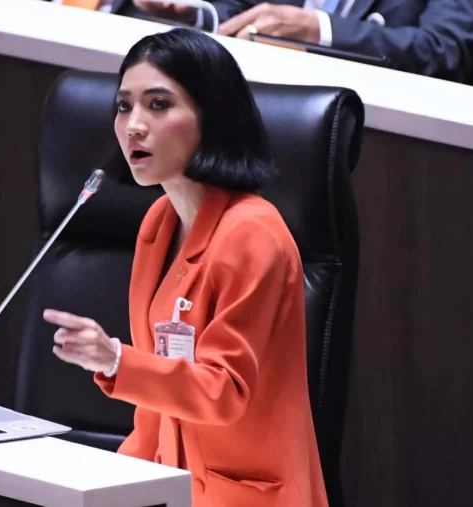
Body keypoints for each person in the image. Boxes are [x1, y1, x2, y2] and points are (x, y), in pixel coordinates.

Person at [42, 28, 327, 507]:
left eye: (158, 105)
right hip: (175, 487)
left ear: (212, 117)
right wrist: (116, 487)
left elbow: (224, 390)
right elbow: (156, 407)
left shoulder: (252, 235)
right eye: (123, 106)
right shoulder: (159, 224)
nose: (133, 125)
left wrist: (115, 360)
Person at [115, 0, 473, 83]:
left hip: (390, 147)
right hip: (260, 107)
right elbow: (246, 8)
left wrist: (319, 29)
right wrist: (194, 14)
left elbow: (444, 49)